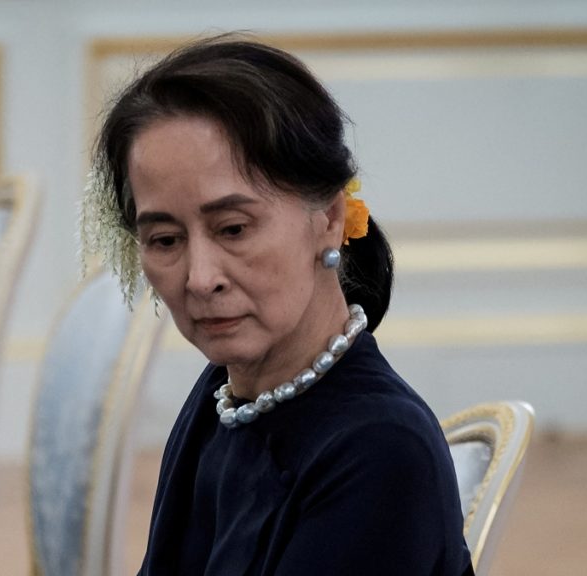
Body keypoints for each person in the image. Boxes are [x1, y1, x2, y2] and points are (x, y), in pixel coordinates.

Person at [81, 34, 474, 576]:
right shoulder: (224, 395)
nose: (201, 279)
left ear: (330, 219)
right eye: (165, 240)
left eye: (233, 229)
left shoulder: (380, 450)